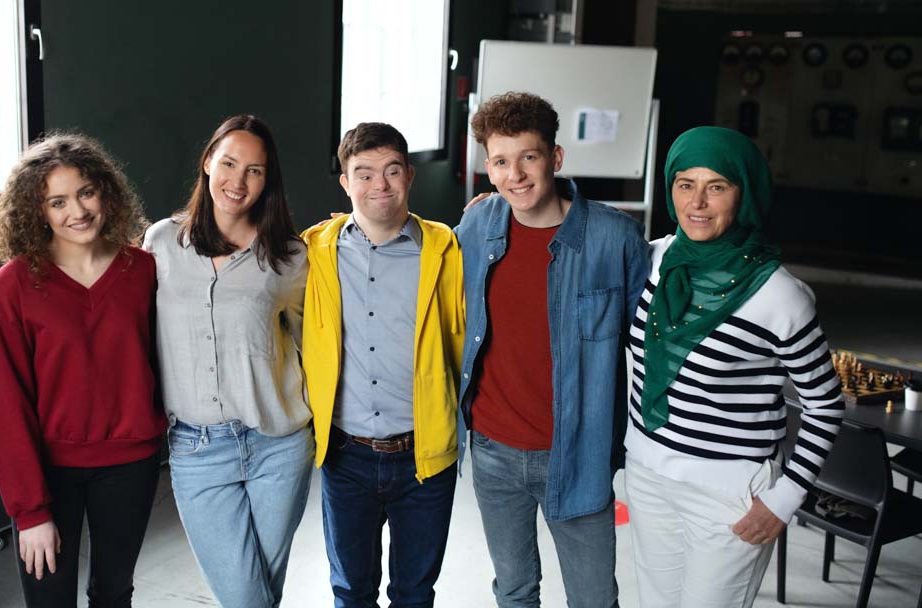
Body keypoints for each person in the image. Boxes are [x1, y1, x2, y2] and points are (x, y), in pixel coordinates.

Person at [624, 126, 844, 607]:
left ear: (743, 195)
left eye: (717, 186)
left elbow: (825, 404)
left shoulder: (780, 296)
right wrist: (497, 208)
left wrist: (785, 499)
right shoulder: (649, 261)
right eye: (685, 184)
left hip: (727, 494)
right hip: (647, 475)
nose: (697, 202)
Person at [457, 92, 649, 607]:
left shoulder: (616, 239)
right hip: (493, 450)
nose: (515, 174)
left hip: (579, 454)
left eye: (529, 157)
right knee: (515, 592)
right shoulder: (477, 227)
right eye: (501, 161)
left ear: (555, 159)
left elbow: (651, 344)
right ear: (489, 168)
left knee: (592, 599)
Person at [0, 133, 167, 606]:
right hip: (49, 472)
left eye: (86, 192)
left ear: (106, 191)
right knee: (48, 599)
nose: (77, 211)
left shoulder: (142, 270)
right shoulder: (16, 284)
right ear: (36, 211)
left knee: (114, 593)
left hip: (130, 465)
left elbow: (163, 364)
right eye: (57, 201)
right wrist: (29, 512)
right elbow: (7, 404)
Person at [143, 114, 313, 607]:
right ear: (207, 162)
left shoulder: (288, 256)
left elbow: (315, 342)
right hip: (198, 450)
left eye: (255, 170)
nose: (238, 181)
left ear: (268, 180)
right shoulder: (160, 244)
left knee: (261, 591)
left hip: (278, 445)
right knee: (246, 597)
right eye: (229, 163)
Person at [300, 122, 465, 608]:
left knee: (415, 594)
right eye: (364, 173)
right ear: (345, 183)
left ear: (410, 176)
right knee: (352, 592)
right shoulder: (313, 250)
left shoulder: (448, 249)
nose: (380, 185)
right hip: (346, 456)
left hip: (425, 455)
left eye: (392, 171)